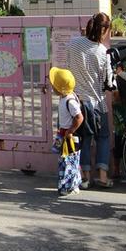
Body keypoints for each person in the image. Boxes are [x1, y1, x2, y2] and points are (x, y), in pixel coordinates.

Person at [65, 12, 115, 188]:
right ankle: (102, 175)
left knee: (84, 138)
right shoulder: (103, 52)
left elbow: (67, 69)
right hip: (97, 103)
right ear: (105, 30)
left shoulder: (73, 44)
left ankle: (85, 177)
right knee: (103, 137)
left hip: (78, 101)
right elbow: (109, 82)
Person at [50, 67, 83, 197]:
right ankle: (72, 185)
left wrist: (70, 131)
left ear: (60, 88)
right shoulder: (65, 97)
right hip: (64, 134)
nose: (52, 87)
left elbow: (79, 117)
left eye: (54, 85)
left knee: (69, 162)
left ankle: (67, 187)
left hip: (70, 136)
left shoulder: (70, 101)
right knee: (68, 161)